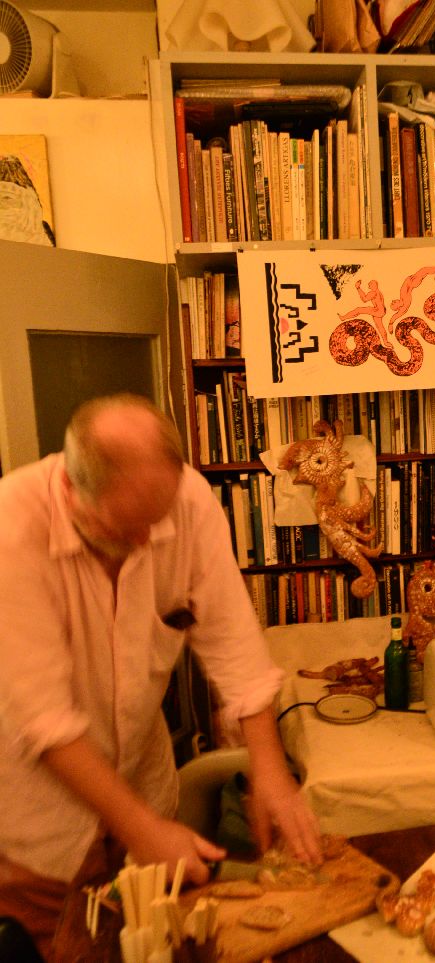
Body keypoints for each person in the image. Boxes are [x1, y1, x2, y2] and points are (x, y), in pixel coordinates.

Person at [0, 392, 321, 960]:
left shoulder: (186, 498)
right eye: (126, 529)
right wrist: (143, 830)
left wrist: (270, 769)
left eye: (157, 521)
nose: (147, 541)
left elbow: (233, 640)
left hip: (142, 785)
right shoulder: (10, 528)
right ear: (70, 489)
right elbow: (46, 721)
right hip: (38, 827)